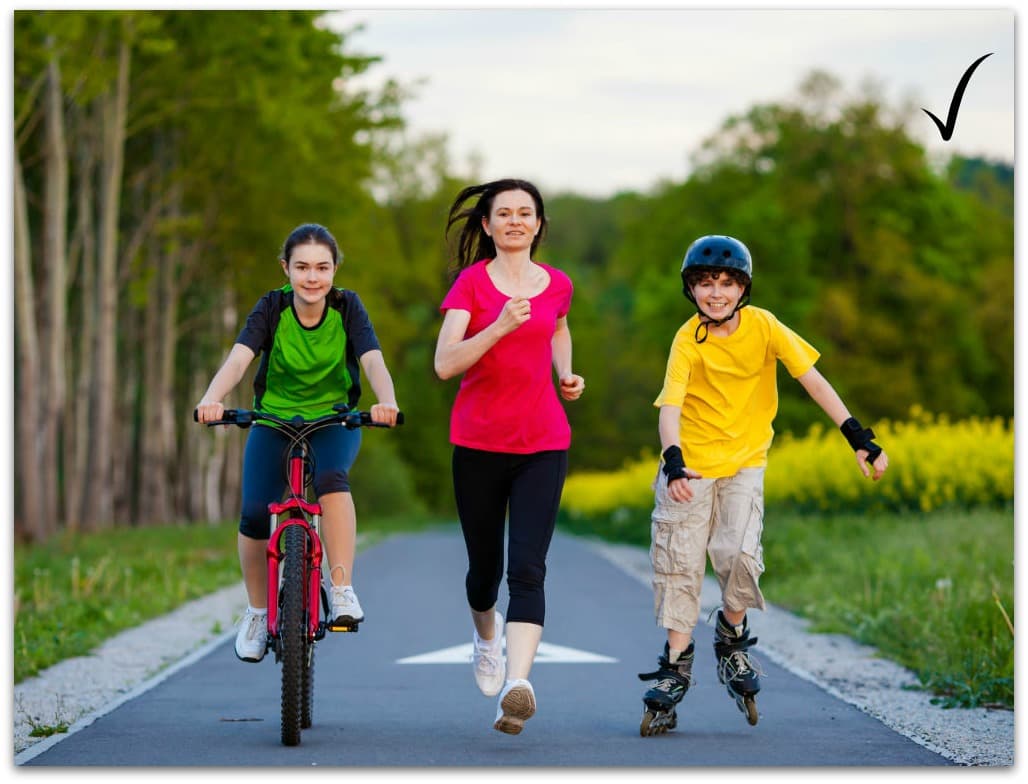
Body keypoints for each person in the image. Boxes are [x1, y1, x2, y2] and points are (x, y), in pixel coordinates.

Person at [637, 234, 889, 735]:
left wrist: (857, 435)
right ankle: (676, 663)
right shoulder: (688, 339)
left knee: (738, 554)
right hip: (690, 467)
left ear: (743, 288)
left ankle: (731, 638)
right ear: (691, 289)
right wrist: (672, 460)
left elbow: (812, 379)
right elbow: (670, 407)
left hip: (744, 463)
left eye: (727, 283)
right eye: (706, 283)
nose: (716, 293)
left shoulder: (765, 326)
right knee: (679, 562)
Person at [195, 223, 400, 663]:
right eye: (302, 267)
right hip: (272, 419)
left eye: (322, 267)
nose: (312, 277)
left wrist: (387, 401)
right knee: (254, 512)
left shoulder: (348, 308)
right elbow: (240, 358)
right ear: (285, 268)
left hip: (334, 420)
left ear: (334, 269)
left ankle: (341, 589)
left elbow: (372, 360)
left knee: (331, 478)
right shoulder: (272, 308)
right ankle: (255, 611)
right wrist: (212, 399)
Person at [434, 179, 585, 735]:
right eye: (505, 214)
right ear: (488, 225)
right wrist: (499, 325)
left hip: (543, 443)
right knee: (483, 573)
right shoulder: (470, 286)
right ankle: (485, 637)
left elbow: (559, 329)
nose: (516, 221)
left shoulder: (558, 285)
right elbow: (445, 364)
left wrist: (564, 372)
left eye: (526, 213)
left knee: (528, 568)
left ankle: (518, 686)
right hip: (477, 444)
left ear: (539, 224)